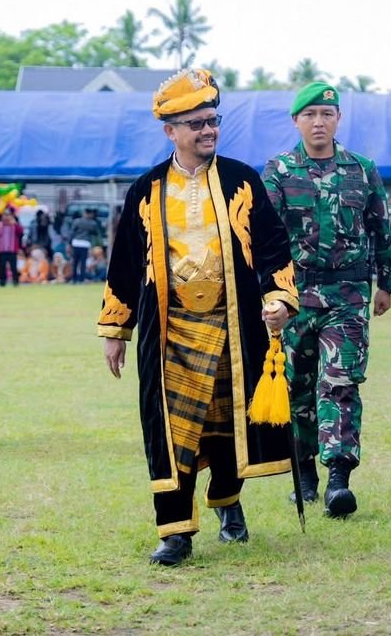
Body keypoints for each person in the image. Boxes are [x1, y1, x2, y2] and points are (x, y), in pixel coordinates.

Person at [98, 68, 301, 567]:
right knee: (171, 432)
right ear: (171, 131)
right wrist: (114, 330)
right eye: (197, 124)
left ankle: (228, 502)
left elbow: (274, 246)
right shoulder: (145, 190)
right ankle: (175, 532)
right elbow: (124, 262)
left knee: (228, 429)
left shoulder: (242, 179)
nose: (208, 131)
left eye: (213, 121)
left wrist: (279, 298)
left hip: (235, 330)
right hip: (169, 334)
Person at [262, 81, 391, 519]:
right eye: (310, 115)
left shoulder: (362, 169)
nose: (318, 122)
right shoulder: (279, 172)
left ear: (338, 119)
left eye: (326, 114)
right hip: (295, 296)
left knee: (339, 383)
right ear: (296, 121)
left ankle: (339, 477)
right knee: (297, 388)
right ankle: (303, 473)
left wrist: (385, 285)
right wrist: (267, 294)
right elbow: (264, 240)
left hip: (347, 295)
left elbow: (381, 230)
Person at [69, 208, 103, 282]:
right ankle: (81, 279)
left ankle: (74, 279)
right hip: (85, 243)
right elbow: (96, 233)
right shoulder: (92, 223)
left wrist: (69, 243)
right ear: (90, 214)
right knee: (83, 262)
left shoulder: (77, 221)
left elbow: (72, 233)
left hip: (76, 243)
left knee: (75, 262)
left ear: (84, 213)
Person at [0, 212, 20, 287]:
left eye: (8, 215)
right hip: (2, 250)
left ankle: (15, 281)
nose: (6, 217)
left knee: (13, 267)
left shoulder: (14, 225)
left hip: (12, 250)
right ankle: (2, 282)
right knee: (2, 267)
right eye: (5, 215)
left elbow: (20, 233)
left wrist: (15, 224)